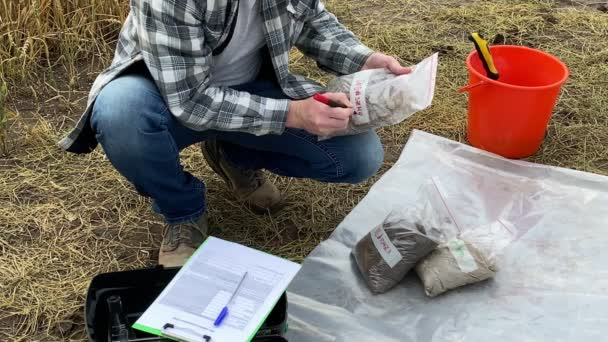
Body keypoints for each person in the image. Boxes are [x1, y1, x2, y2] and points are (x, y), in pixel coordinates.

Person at [58, 0, 410, 267]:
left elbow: (313, 22)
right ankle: (182, 211)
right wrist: (293, 114)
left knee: (358, 155)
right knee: (120, 113)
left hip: (249, 89)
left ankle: (233, 155)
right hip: (166, 96)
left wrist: (364, 59)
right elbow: (191, 99)